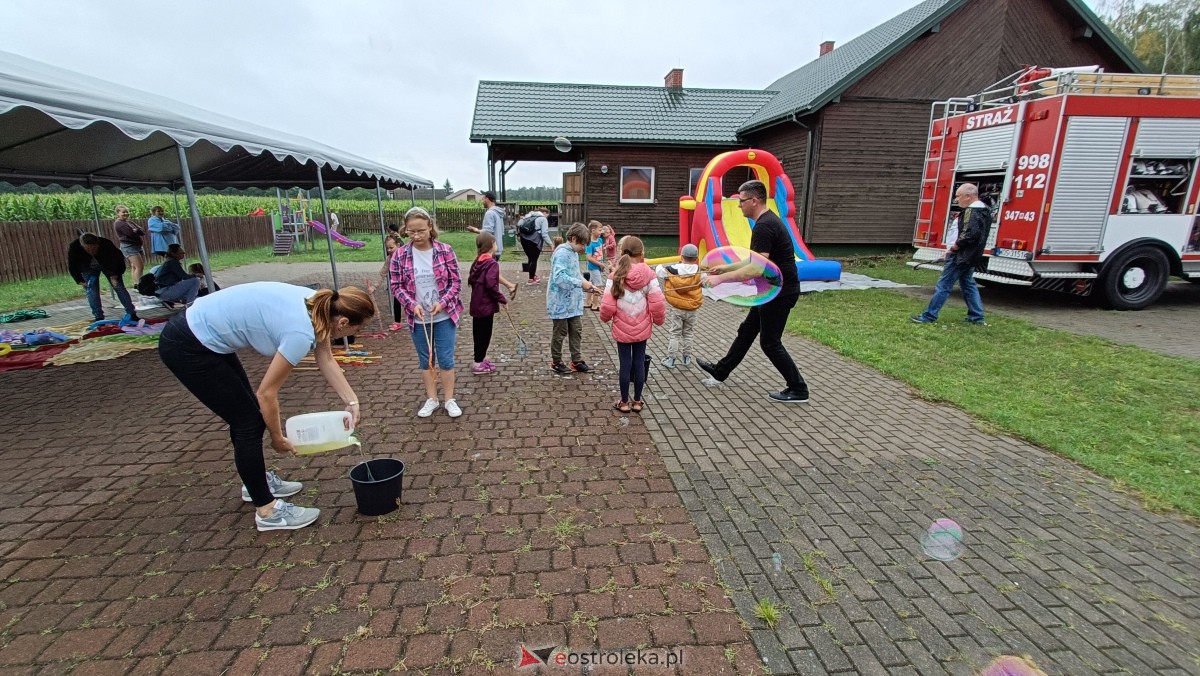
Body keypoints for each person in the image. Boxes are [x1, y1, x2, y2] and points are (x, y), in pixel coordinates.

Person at [157, 282, 374, 531]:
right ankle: (267, 510)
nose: (356, 332)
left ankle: (256, 482)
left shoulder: (319, 305)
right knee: (248, 422)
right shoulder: (300, 333)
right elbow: (267, 393)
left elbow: (325, 358)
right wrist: (276, 437)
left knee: (246, 417)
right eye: (360, 327)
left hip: (204, 335)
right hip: (188, 345)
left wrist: (351, 401)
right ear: (343, 322)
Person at [697, 180, 809, 404]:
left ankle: (798, 388)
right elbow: (754, 260)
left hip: (779, 292)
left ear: (754, 200)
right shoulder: (766, 222)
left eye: (741, 201)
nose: (739, 206)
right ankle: (720, 371)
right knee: (747, 330)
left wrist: (719, 279)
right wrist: (726, 267)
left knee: (770, 342)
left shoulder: (764, 226)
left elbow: (756, 269)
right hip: (773, 290)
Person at [389, 207, 464, 418]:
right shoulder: (400, 255)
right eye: (411, 232)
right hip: (418, 318)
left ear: (430, 227)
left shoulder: (445, 250)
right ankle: (432, 398)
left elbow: (456, 282)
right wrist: (412, 305)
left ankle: (450, 399)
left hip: (444, 316)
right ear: (406, 230)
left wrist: (444, 302)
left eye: (421, 230)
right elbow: (396, 285)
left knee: (446, 359)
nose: (416, 236)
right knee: (426, 360)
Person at [600, 236, 666, 413]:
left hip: (622, 328)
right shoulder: (650, 275)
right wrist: (659, 320)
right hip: (642, 328)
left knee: (625, 364)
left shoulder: (615, 275)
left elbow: (607, 304)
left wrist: (605, 318)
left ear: (622, 253)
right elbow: (658, 302)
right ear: (642, 253)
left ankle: (623, 402)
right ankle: (637, 401)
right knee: (639, 363)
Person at [912, 183, 988, 325]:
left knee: (944, 286)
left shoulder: (971, 212)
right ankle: (977, 317)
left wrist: (954, 248)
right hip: (970, 256)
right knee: (968, 284)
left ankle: (928, 316)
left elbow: (970, 234)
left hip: (960, 256)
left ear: (968, 196)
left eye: (958, 196)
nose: (956, 199)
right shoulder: (985, 211)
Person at [547, 222, 597, 374]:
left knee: (576, 330)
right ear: (574, 238)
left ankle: (576, 360)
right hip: (560, 302)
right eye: (582, 244)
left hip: (573, 303)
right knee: (560, 332)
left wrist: (588, 285)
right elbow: (559, 277)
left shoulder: (574, 253)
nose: (583, 248)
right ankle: (556, 361)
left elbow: (575, 275)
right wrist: (581, 283)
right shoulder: (561, 253)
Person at [67, 233, 140, 323]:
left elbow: (119, 260)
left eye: (94, 248)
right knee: (92, 291)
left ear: (98, 244)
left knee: (119, 287)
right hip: (87, 267)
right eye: (88, 249)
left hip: (108, 266)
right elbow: (72, 265)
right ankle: (98, 317)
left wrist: (116, 275)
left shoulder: (106, 244)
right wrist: (80, 281)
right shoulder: (74, 247)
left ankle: (132, 313)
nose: (91, 251)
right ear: (82, 245)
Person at [656, 243, 703, 368]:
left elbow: (659, 271)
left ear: (681, 257)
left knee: (675, 333)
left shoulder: (673, 269)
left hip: (677, 308)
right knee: (688, 333)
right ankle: (686, 358)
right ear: (696, 259)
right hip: (692, 309)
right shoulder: (700, 271)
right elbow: (706, 283)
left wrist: (664, 263)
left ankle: (671, 359)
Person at [467, 232, 508, 375]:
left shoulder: (478, 261)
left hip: (477, 305)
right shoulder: (491, 263)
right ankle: (478, 363)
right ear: (491, 244)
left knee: (478, 334)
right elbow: (491, 285)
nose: (496, 245)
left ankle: (480, 357)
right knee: (484, 334)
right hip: (485, 306)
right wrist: (502, 298)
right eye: (495, 242)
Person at [467, 191, 518, 296]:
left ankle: (504, 289)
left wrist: (475, 230)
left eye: (483, 199)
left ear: (487, 199)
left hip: (489, 249)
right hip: (497, 247)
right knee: (491, 271)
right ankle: (506, 288)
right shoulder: (498, 214)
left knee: (489, 272)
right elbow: (502, 231)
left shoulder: (490, 213)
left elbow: (487, 232)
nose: (482, 201)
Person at [112, 204, 146, 285]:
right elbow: (130, 233)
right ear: (118, 213)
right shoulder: (119, 223)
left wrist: (137, 230)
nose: (126, 214)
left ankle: (136, 284)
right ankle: (139, 285)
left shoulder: (129, 222)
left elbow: (142, 231)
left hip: (138, 246)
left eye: (127, 212)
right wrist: (136, 230)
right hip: (129, 247)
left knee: (135, 266)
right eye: (123, 212)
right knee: (139, 266)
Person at [518, 207, 552, 284]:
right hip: (534, 241)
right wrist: (551, 244)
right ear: (544, 213)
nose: (547, 216)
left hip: (524, 240)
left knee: (530, 259)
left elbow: (519, 225)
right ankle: (531, 279)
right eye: (547, 215)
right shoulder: (543, 219)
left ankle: (533, 275)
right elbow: (544, 234)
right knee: (534, 260)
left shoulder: (528, 216)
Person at [379, 234, 405, 331]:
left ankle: (415, 320)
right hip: (398, 286)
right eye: (387, 248)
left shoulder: (406, 255)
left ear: (398, 245)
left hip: (409, 285)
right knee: (397, 302)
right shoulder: (389, 259)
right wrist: (374, 286)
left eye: (391, 247)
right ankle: (397, 322)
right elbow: (382, 273)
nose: (389, 250)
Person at [585, 221, 606, 311]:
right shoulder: (590, 244)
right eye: (600, 230)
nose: (602, 232)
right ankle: (595, 304)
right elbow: (589, 257)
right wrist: (600, 264)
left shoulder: (600, 240)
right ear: (593, 231)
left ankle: (588, 301)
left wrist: (602, 263)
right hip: (593, 267)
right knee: (598, 286)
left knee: (591, 284)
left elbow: (601, 252)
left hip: (598, 266)